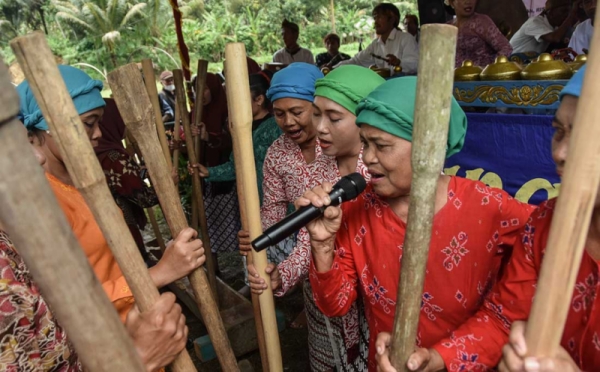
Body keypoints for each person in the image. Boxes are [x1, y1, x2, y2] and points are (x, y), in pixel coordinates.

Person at [300, 77, 535, 372]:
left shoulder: (488, 207)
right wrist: (322, 246)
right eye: (365, 143)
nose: (368, 158)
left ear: (429, 148)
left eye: (381, 145)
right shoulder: (356, 210)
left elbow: (547, 256)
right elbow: (335, 305)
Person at [376, 66, 599, 372]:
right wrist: (436, 359)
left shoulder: (484, 203)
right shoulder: (548, 221)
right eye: (559, 130)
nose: (560, 152)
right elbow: (505, 318)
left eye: (588, 135)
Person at [1, 103, 191, 372]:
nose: (38, 158)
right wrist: (137, 360)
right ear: (47, 130)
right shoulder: (38, 210)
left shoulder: (79, 179)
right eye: (89, 122)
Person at [17, 65, 205, 322]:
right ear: (49, 125)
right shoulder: (39, 201)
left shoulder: (85, 177)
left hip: (136, 324)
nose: (98, 134)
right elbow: (64, 303)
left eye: (99, 124)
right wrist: (162, 272)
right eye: (88, 124)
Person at [248, 65, 385, 372]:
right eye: (279, 113)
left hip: (378, 290)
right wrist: (281, 270)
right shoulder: (319, 168)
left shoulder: (381, 166)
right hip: (326, 274)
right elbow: (310, 237)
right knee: (332, 351)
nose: (320, 127)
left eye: (330, 117)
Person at [258, 62, 325, 266]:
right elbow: (273, 210)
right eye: (279, 114)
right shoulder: (277, 154)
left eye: (296, 112)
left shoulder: (338, 143)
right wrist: (259, 234)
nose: (288, 122)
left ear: (318, 107)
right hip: (307, 253)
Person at [197, 73, 241, 262]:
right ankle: (214, 267)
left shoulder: (227, 110)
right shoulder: (196, 113)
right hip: (204, 177)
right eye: (196, 89)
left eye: (204, 89)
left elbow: (232, 143)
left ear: (213, 89)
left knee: (236, 225)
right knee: (207, 224)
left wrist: (209, 137)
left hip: (226, 179)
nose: (200, 94)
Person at [336, 3, 419, 74]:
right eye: (375, 18)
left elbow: (416, 64)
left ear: (392, 20)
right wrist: (333, 68)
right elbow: (356, 61)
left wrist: (399, 63)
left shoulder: (406, 39)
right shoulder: (375, 45)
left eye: (379, 17)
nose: (375, 22)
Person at [448, 0, 513, 67]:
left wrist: (488, 68)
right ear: (451, 2)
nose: (468, 2)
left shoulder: (482, 22)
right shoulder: (447, 27)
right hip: (453, 76)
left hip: (481, 75)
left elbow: (506, 48)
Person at [510, 0, 579, 54]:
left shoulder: (555, 27)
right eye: (563, 11)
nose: (566, 15)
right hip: (513, 63)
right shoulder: (534, 22)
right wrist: (572, 14)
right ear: (550, 12)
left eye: (568, 12)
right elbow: (555, 38)